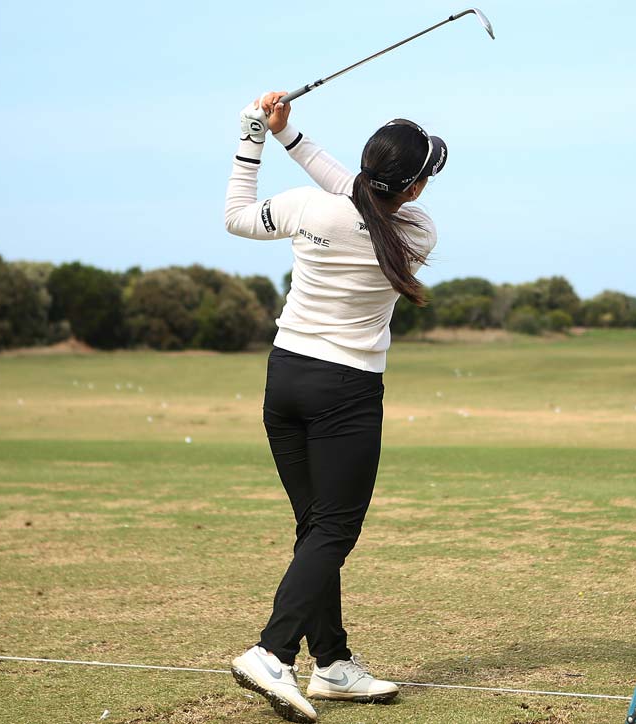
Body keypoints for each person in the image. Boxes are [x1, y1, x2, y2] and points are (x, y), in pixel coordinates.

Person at [222, 91, 446, 723]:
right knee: (334, 529)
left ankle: (332, 665)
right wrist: (291, 138)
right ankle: (271, 652)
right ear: (414, 187)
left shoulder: (306, 208)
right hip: (345, 393)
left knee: (314, 527)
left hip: (285, 379)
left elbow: (238, 214)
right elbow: (359, 193)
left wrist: (256, 137)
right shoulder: (417, 230)